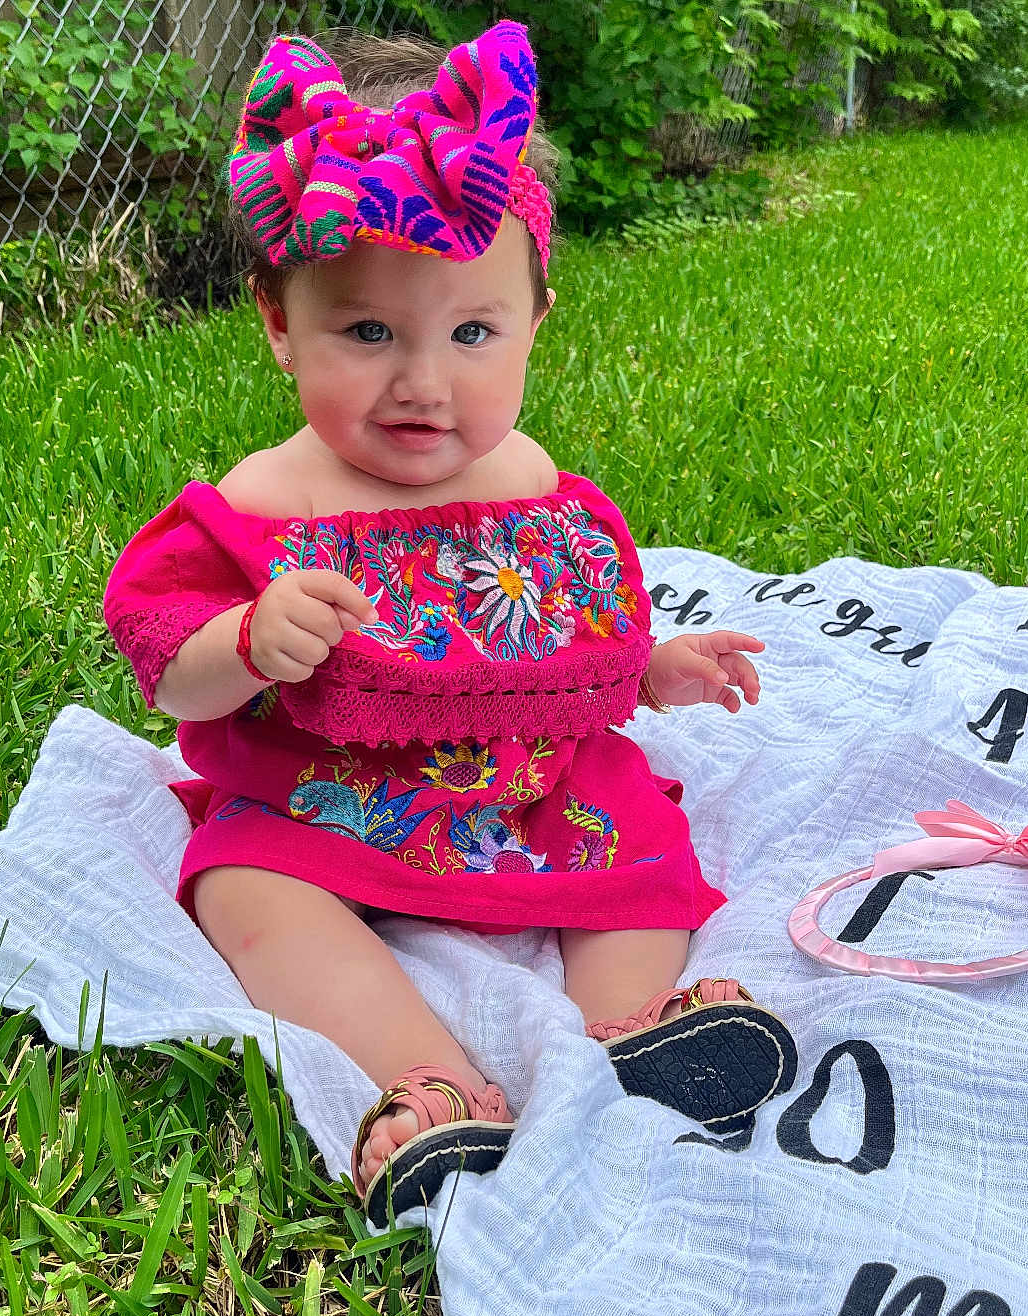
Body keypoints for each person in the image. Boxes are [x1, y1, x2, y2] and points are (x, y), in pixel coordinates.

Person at [104, 19, 796, 1220]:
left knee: (635, 835)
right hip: (326, 799)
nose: (424, 382)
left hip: (530, 787)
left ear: (536, 319)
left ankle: (630, 1026)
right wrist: (248, 639)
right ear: (280, 320)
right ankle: (430, 1081)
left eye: (472, 332)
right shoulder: (266, 504)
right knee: (243, 885)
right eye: (367, 332)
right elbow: (167, 670)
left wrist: (649, 672)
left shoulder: (527, 480)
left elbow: (558, 644)